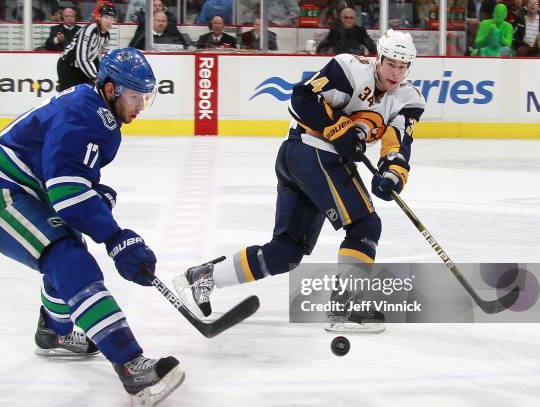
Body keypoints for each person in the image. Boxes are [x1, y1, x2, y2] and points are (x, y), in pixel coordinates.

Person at [0, 48, 185, 407]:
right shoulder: (83, 115)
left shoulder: (97, 112)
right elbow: (65, 190)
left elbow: (70, 174)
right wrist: (115, 236)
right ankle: (128, 361)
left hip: (28, 189)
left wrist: (94, 194)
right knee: (68, 258)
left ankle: (54, 330)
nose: (142, 104)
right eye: (135, 95)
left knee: (67, 248)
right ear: (110, 89)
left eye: (147, 96)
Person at [174, 30, 425, 334]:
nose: (395, 73)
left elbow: (398, 141)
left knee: (286, 253)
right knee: (365, 225)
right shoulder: (350, 69)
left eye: (402, 67)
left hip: (306, 160)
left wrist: (392, 173)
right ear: (379, 58)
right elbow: (302, 97)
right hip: (311, 152)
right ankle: (346, 306)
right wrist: (339, 130)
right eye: (390, 64)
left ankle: (205, 277)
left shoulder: (408, 99)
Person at [57, 3, 116, 92]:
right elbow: (81, 58)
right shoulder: (90, 30)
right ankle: (64, 86)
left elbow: (98, 57)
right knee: (72, 98)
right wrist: (95, 77)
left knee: (90, 94)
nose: (109, 21)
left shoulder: (106, 36)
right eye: (106, 17)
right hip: (68, 66)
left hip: (81, 68)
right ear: (99, 17)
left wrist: (101, 75)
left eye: (112, 18)